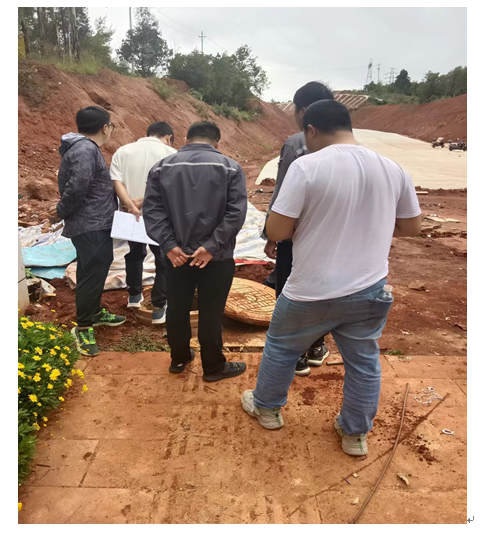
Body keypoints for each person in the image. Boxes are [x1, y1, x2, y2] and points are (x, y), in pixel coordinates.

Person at [242, 100, 422, 456]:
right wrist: (368, 226)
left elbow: (277, 230)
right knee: (364, 362)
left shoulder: (307, 166)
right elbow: (411, 226)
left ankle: (267, 409)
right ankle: (355, 434)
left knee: (282, 347)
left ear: (311, 130)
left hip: (311, 290)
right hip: (369, 290)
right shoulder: (392, 168)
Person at [143, 121, 248, 381]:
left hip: (177, 257)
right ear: (217, 142)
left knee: (177, 307)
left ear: (186, 139)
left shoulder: (162, 167)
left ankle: (179, 358)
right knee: (211, 311)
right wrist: (211, 247)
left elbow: (152, 211)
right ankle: (213, 367)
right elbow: (236, 213)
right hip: (217, 257)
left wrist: (169, 245)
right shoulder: (230, 167)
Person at [264, 82, 335, 377]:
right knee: (321, 290)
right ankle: (316, 346)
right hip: (330, 237)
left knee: (288, 289)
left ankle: (295, 356)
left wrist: (270, 234)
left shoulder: (296, 143)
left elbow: (283, 191)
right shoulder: (348, 145)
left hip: (296, 234)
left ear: (303, 111)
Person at [56, 106, 126, 357]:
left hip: (95, 222)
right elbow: (78, 186)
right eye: (111, 126)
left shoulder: (84, 148)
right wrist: (60, 211)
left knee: (94, 268)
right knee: (90, 274)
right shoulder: (86, 149)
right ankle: (84, 326)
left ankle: (94, 312)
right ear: (105, 127)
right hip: (90, 224)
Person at [110, 122, 177, 323]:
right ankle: (159, 308)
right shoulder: (172, 154)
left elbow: (116, 181)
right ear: (168, 137)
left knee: (135, 253)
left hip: (132, 215)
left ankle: (134, 295)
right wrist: (144, 200)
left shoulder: (123, 151)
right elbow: (170, 186)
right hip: (161, 216)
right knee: (163, 259)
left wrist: (130, 203)